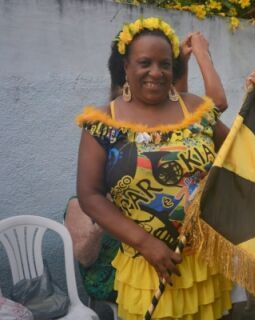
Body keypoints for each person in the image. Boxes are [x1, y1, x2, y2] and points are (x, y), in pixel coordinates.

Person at [76, 17, 231, 319]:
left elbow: (235, 154)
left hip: (202, 265)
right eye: (145, 63)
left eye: (165, 64)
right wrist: (146, 243)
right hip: (147, 268)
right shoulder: (102, 123)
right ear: (126, 66)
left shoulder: (196, 110)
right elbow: (89, 195)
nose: (156, 73)